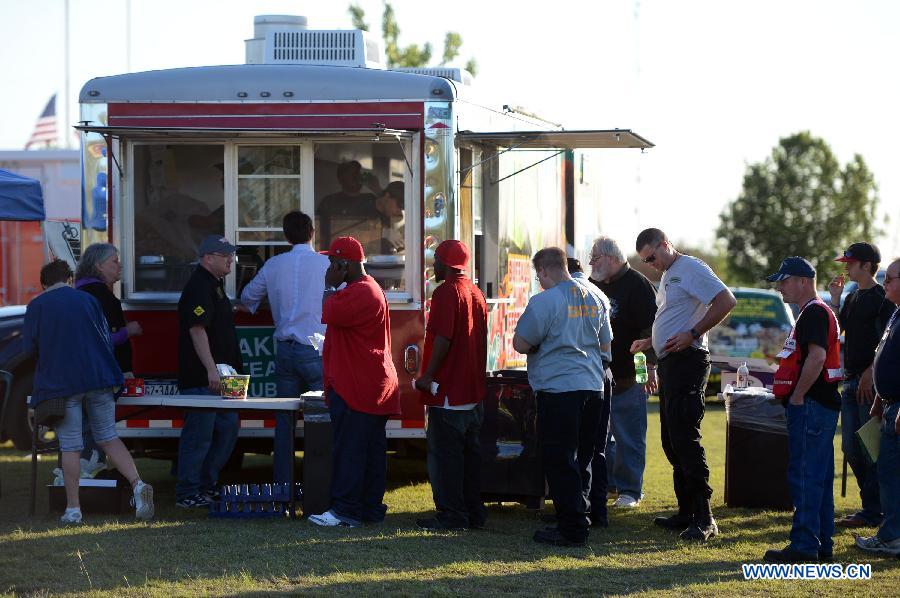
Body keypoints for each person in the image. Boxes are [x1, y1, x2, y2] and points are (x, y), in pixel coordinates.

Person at [22, 260, 153, 524]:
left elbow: (29, 349)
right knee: (108, 436)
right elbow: (106, 338)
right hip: (101, 377)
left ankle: (73, 509)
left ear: (44, 284)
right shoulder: (88, 301)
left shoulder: (37, 305)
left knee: (71, 446)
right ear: (69, 279)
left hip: (64, 384)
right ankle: (138, 485)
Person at [631, 228, 735, 542]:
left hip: (689, 361)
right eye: (645, 261)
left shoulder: (689, 267)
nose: (650, 264)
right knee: (671, 440)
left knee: (685, 438)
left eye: (652, 256)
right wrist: (653, 339)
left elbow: (725, 300)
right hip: (672, 363)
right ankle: (686, 511)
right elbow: (676, 315)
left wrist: (692, 332)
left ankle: (705, 517)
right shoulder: (669, 274)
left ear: (665, 245)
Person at [513, 247, 607, 547]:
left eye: (537, 275)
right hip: (593, 388)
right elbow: (606, 346)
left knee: (559, 458)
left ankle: (572, 527)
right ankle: (581, 514)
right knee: (583, 458)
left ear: (542, 271)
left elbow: (521, 343)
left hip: (559, 389)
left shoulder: (545, 301)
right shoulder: (597, 297)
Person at [308, 236, 400, 528]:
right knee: (370, 452)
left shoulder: (360, 291)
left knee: (350, 450)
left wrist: (328, 285)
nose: (329, 269)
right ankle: (370, 510)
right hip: (370, 383)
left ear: (342, 265)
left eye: (332, 264)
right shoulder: (367, 288)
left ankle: (346, 511)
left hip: (358, 385)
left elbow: (328, 310)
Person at [763, 257, 843, 563]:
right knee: (818, 478)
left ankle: (805, 545)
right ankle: (821, 544)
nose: (780, 286)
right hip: (819, 406)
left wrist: (797, 395)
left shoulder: (813, 313)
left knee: (806, 476)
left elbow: (817, 358)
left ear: (803, 281)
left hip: (811, 406)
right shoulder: (817, 312)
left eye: (785, 280)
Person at [240, 211, 329, 484]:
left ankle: (283, 486)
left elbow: (247, 298)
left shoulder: (273, 265)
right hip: (316, 349)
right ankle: (323, 484)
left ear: (286, 236)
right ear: (312, 232)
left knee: (284, 422)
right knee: (325, 420)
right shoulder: (326, 264)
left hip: (285, 351)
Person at [414, 240, 488, 531]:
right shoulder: (476, 292)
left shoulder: (446, 291)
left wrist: (428, 376)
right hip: (472, 391)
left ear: (447, 263)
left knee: (446, 459)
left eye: (435, 259)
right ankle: (473, 512)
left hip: (449, 392)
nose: (432, 265)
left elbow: (443, 338)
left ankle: (452, 515)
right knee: (469, 458)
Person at [588, 236, 659, 509]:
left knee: (630, 436)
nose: (592, 264)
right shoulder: (593, 285)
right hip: (597, 377)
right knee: (599, 439)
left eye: (595, 259)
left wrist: (648, 370)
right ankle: (607, 485)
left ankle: (631, 491)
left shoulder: (638, 286)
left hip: (630, 377)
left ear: (610, 257)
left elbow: (650, 332)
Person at [828, 242, 894, 528]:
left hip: (869, 384)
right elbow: (838, 329)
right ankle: (871, 508)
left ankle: (873, 510)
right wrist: (835, 298)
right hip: (850, 379)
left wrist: (870, 372)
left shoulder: (883, 298)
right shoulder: (854, 296)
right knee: (852, 448)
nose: (846, 266)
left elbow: (887, 341)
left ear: (867, 266)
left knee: (870, 447)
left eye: (851, 262)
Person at [174, 235, 243, 508]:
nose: (230, 259)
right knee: (199, 436)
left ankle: (206, 485)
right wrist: (211, 370)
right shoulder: (199, 286)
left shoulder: (214, 285)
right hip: (205, 378)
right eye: (224, 254)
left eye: (231, 254)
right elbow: (197, 329)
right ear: (207, 258)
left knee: (228, 429)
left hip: (225, 378)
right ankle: (187, 492)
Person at [74, 243, 144, 477]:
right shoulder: (103, 297)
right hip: (102, 376)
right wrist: (129, 331)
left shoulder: (76, 293)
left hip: (77, 375)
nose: (120, 265)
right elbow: (102, 340)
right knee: (102, 432)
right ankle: (92, 471)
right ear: (98, 265)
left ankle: (78, 478)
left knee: (82, 429)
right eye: (114, 261)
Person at [857, 257, 900, 556]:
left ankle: (892, 537)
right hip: (888, 406)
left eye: (891, 279)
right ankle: (891, 534)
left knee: (892, 474)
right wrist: (877, 399)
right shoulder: (897, 314)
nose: (884, 283)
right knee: (888, 473)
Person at [568, 257, 614, 527]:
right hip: (603, 373)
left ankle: (578, 507)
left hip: (578, 377)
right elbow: (607, 341)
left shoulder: (565, 293)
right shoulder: (599, 293)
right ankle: (599, 511)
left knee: (576, 448)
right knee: (598, 447)